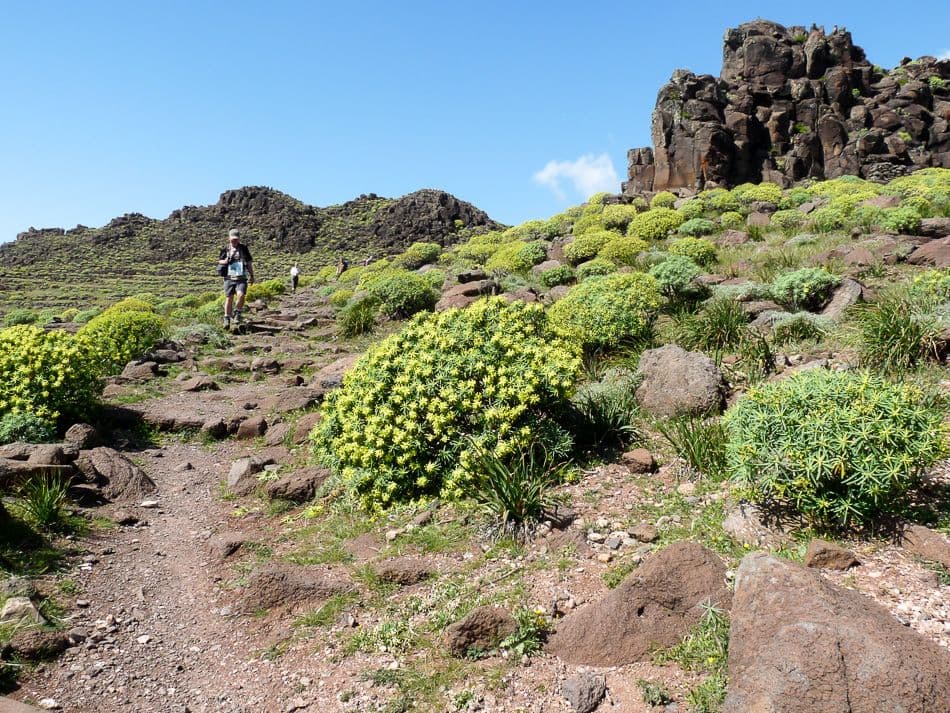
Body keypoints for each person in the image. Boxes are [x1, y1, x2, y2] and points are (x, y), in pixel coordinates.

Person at [217, 228, 254, 329]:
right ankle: (227, 318)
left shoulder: (243, 248)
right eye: (233, 239)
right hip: (229, 278)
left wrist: (252, 275)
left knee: (241, 295)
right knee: (229, 298)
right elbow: (219, 261)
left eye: (236, 239)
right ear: (229, 238)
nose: (234, 241)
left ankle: (237, 313)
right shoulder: (225, 249)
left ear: (239, 239)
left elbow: (249, 263)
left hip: (241, 277)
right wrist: (224, 261)